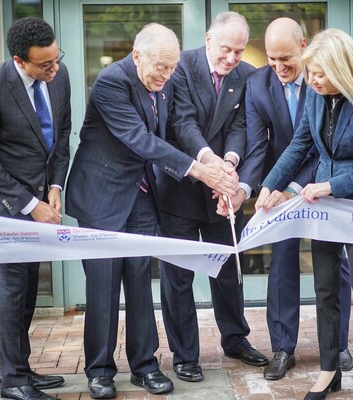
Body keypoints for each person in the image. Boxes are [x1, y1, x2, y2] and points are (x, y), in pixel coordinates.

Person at [64, 23, 238, 399]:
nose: (166, 75)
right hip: (100, 197)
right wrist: (198, 171)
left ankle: (145, 366)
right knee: (104, 286)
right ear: (137, 54)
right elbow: (139, 140)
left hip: (142, 195)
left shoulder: (166, 78)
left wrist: (209, 158)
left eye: (172, 67)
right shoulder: (112, 82)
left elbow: (177, 124)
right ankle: (100, 371)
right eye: (160, 67)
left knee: (141, 282)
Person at [256, 28, 353, 400]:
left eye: (320, 73)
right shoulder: (317, 100)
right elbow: (299, 145)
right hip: (324, 209)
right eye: (311, 73)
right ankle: (329, 370)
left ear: (342, 68)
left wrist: (331, 186)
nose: (313, 80)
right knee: (325, 290)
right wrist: (269, 187)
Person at [223, 18, 353, 381]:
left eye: (286, 60)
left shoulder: (324, 78)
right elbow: (257, 146)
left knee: (332, 263)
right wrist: (254, 189)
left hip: (323, 182)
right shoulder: (257, 85)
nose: (279, 68)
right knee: (281, 263)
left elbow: (317, 145)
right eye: (272, 60)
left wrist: (295, 187)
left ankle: (338, 344)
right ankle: (283, 347)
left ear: (303, 45)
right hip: (279, 185)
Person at [0, 17, 70, 400]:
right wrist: (29, 204)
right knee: (10, 294)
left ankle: (22, 368)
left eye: (57, 59)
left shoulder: (59, 74)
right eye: (45, 65)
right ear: (20, 61)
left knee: (27, 292)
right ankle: (14, 382)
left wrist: (55, 186)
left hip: (40, 198)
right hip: (0, 206)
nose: (55, 69)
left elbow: (62, 135)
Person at [155, 11, 268, 383]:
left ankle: (235, 339)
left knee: (228, 272)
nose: (232, 58)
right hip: (182, 187)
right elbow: (181, 123)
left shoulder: (247, 75)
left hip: (224, 192)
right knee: (179, 277)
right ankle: (185, 355)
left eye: (238, 51)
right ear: (207, 39)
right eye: (226, 49)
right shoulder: (183, 66)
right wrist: (211, 163)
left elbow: (241, 126)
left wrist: (231, 166)